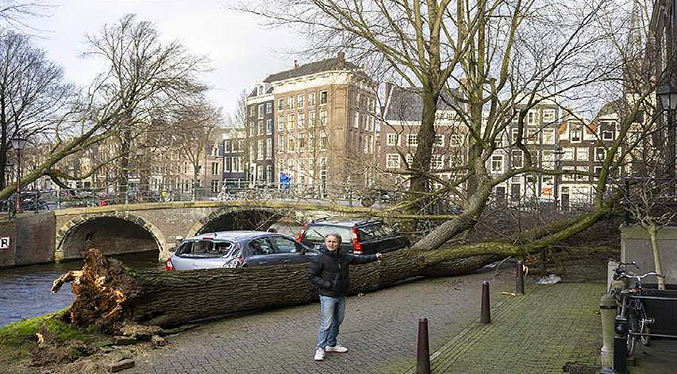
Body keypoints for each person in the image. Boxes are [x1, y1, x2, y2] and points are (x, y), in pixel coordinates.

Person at [307, 233, 382, 361]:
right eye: (329, 241)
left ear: (339, 243)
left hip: (341, 294)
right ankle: (320, 348)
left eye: (334, 242)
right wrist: (327, 284)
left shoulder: (344, 256)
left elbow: (359, 260)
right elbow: (312, 276)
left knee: (338, 320)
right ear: (325, 243)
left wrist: (375, 257)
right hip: (328, 295)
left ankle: (332, 344)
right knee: (326, 323)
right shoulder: (320, 258)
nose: (331, 244)